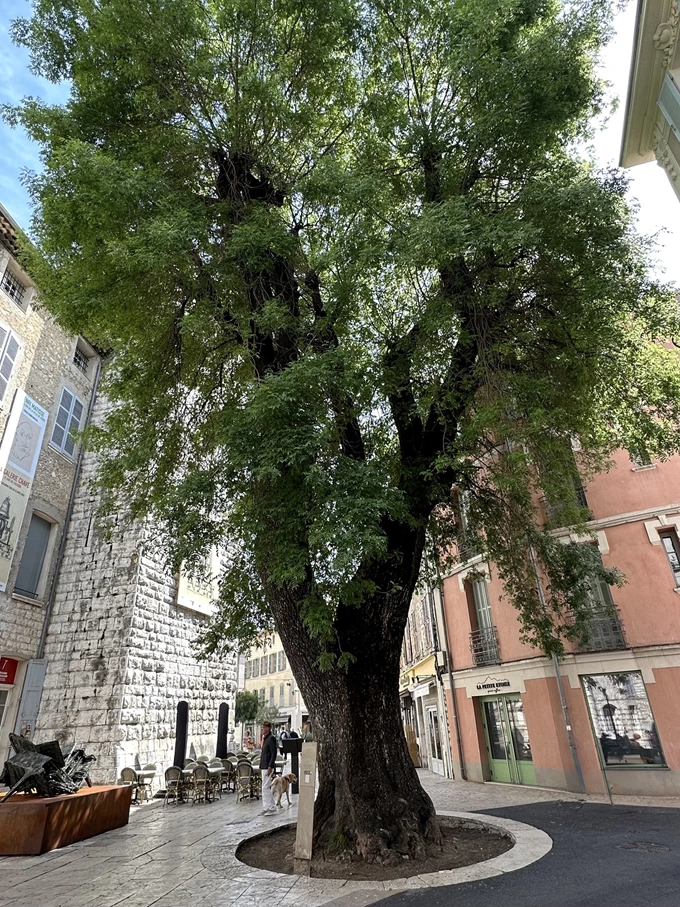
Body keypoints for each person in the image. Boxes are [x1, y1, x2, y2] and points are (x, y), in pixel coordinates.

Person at [259, 720, 278, 816]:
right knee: (264, 787)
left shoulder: (271, 739)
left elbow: (274, 753)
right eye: (262, 727)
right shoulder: (265, 738)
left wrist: (271, 765)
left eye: (264, 728)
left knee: (265, 787)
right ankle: (267, 806)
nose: (262, 729)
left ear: (268, 728)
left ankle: (271, 807)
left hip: (268, 766)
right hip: (264, 765)